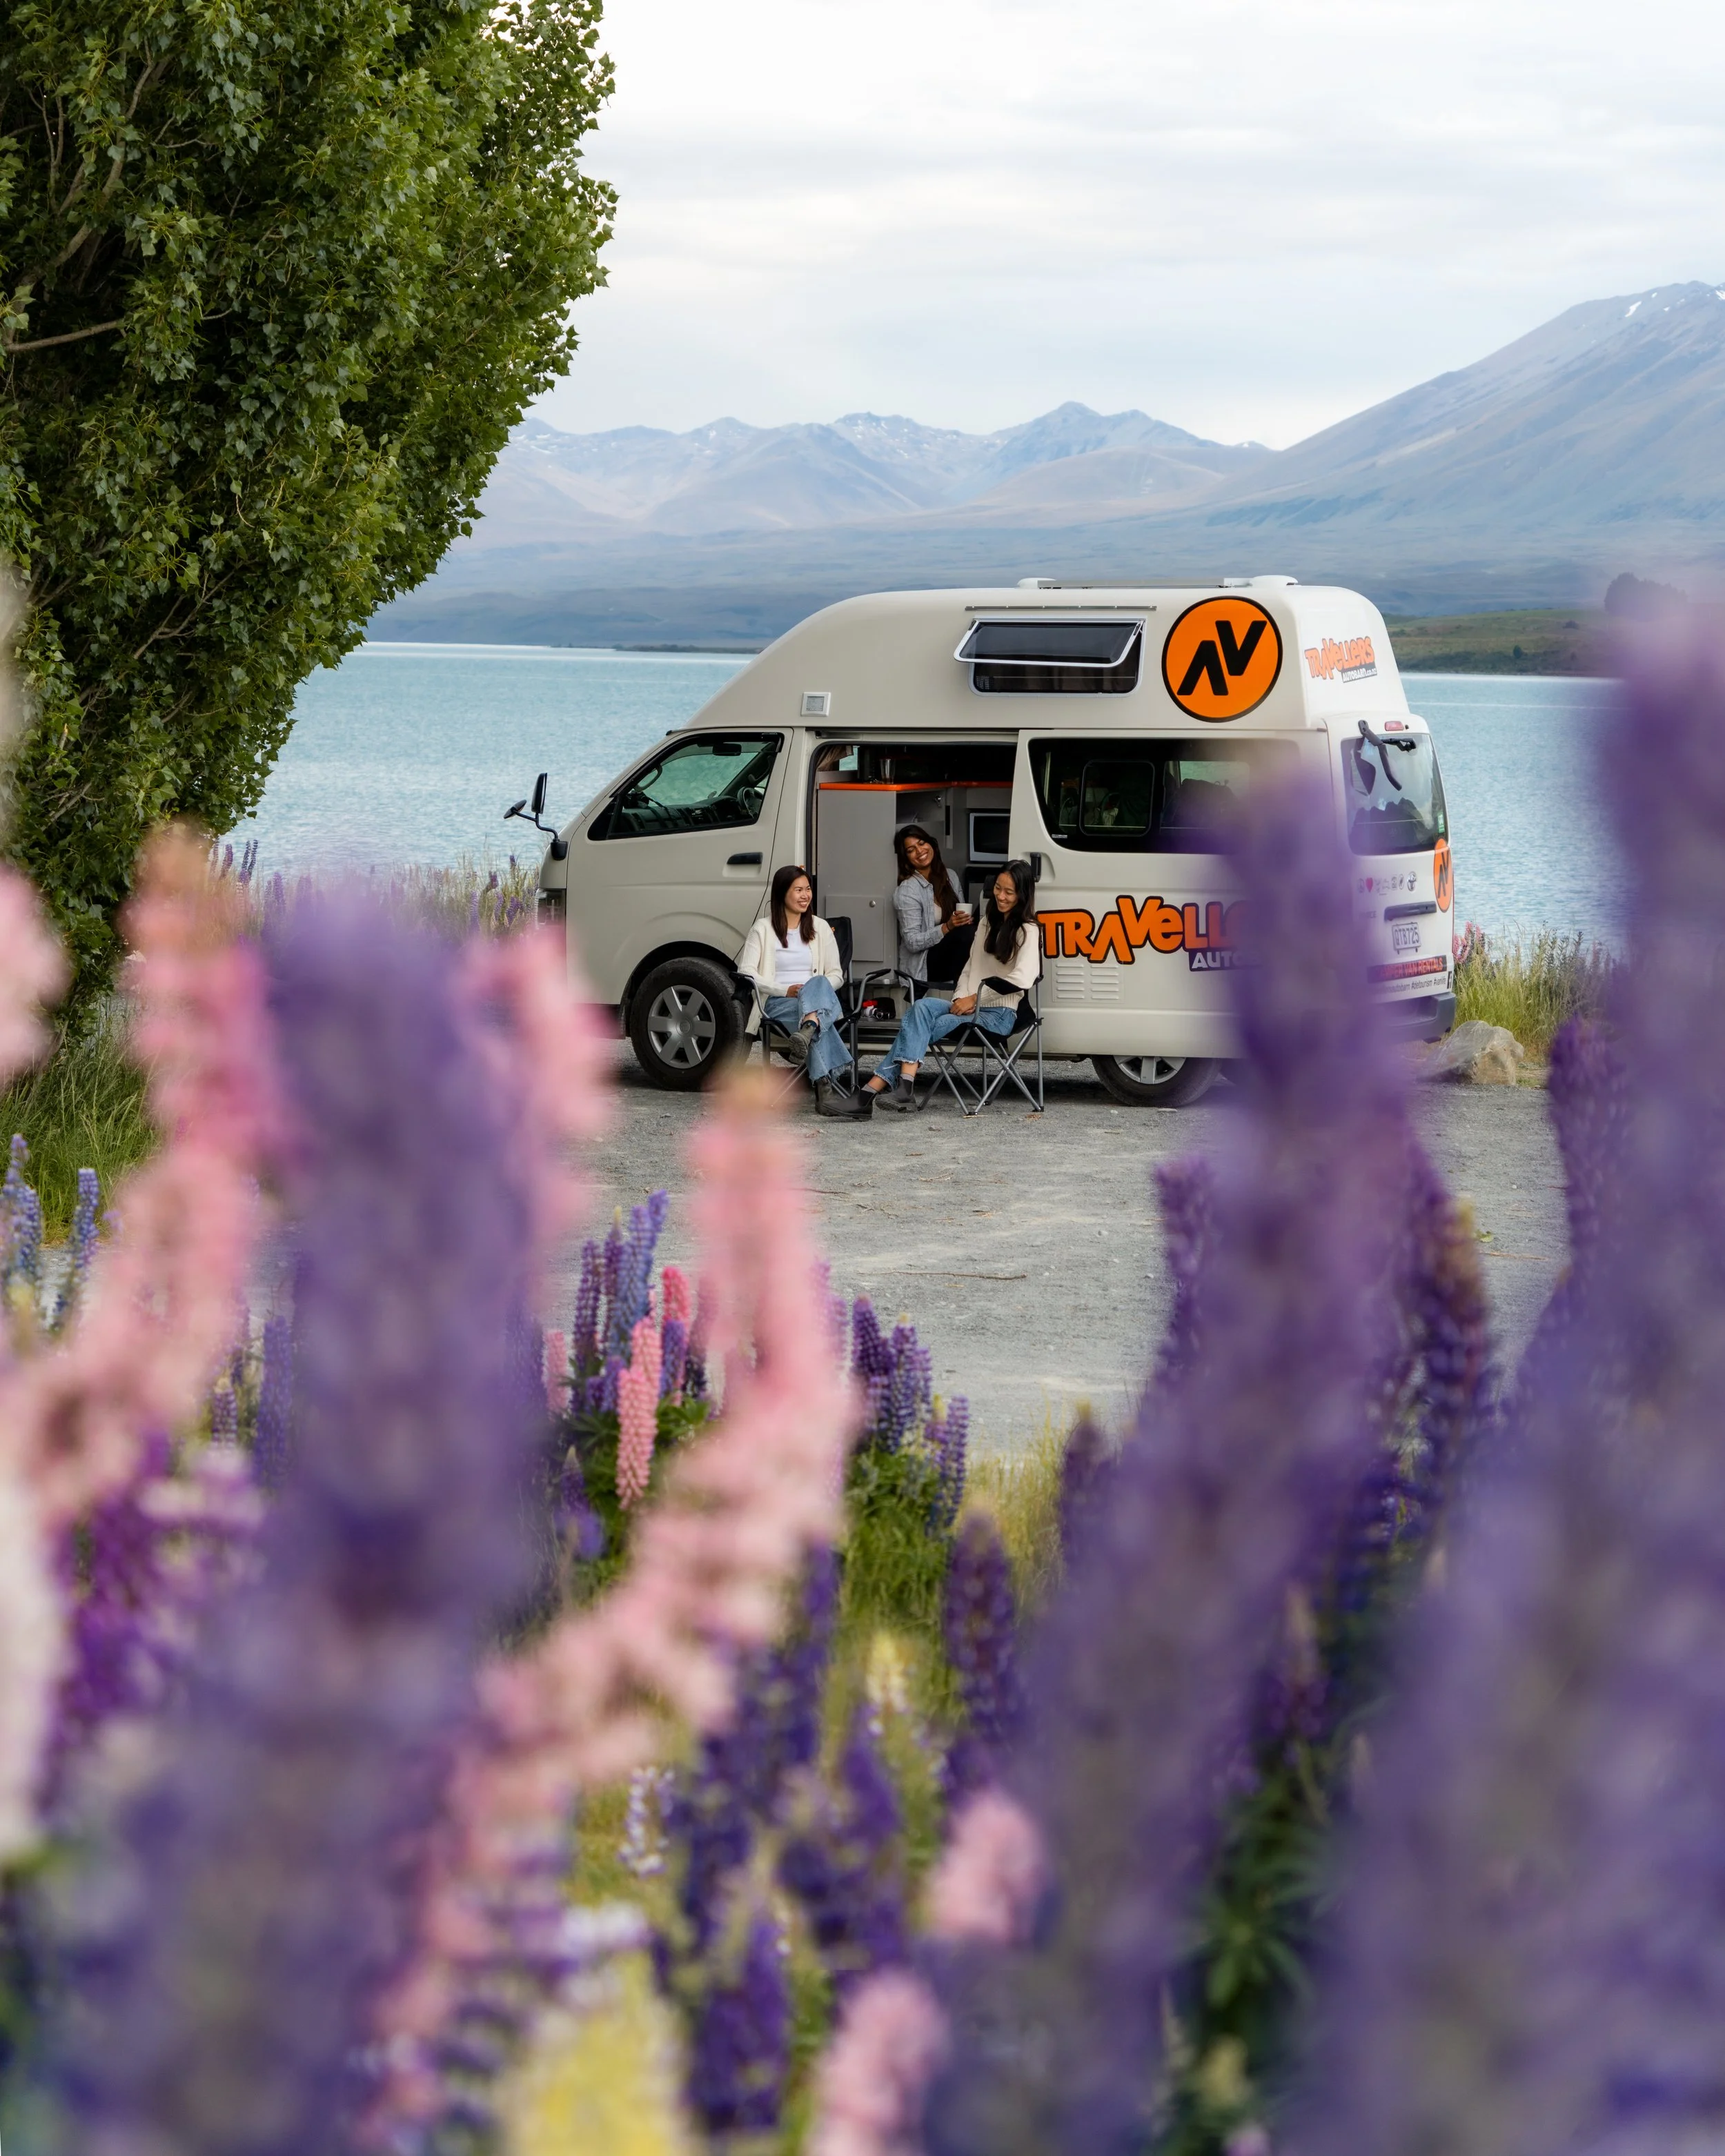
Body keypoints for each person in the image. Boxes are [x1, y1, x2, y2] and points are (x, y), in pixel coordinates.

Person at [864, 860, 1038, 1111]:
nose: (1000, 896)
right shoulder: (987, 922)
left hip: (1000, 1015)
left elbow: (1021, 979)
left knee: (921, 1025)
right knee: (921, 1008)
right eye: (998, 888)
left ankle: (871, 1092)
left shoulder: (1028, 930)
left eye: (1009, 892)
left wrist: (974, 1000)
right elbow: (970, 967)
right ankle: (903, 1086)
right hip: (969, 1007)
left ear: (1023, 895)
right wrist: (960, 998)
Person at [738, 865, 869, 1118]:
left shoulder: (820, 928)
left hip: (817, 999)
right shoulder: (762, 929)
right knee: (818, 1012)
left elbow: (836, 975)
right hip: (778, 1002)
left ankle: (808, 1029)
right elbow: (747, 972)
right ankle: (825, 1089)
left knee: (819, 982)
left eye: (808, 889)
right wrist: (784, 989)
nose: (805, 895)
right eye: (798, 890)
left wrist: (812, 990)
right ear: (781, 894)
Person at [893, 824, 975, 988]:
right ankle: (963, 994)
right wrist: (947, 927)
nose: (919, 851)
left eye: (922, 843)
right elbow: (912, 942)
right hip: (926, 963)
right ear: (906, 858)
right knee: (967, 935)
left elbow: (960, 919)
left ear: (931, 844)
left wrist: (963, 920)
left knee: (985, 932)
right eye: (911, 850)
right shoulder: (908, 890)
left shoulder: (950, 875)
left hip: (953, 952)